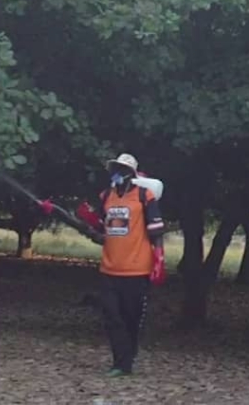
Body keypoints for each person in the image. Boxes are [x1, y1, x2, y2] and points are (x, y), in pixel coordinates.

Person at [83, 153, 167, 377]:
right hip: (109, 268)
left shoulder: (143, 196)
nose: (118, 175)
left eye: (123, 171)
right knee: (112, 316)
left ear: (132, 175)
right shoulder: (106, 196)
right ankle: (120, 362)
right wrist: (89, 226)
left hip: (137, 269)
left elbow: (156, 230)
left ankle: (127, 358)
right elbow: (104, 230)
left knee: (131, 316)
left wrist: (159, 257)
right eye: (116, 170)